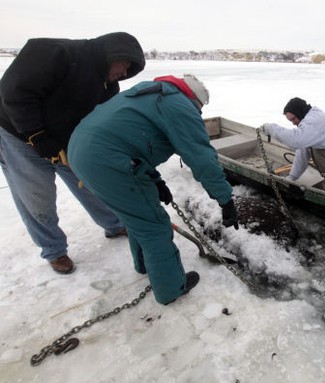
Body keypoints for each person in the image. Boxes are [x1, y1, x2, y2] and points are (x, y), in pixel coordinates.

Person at [68, 74, 239, 305]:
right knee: (155, 228)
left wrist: (155, 179)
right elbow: (202, 158)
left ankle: (144, 265)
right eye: (199, 109)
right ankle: (171, 288)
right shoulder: (180, 106)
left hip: (83, 152)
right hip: (109, 163)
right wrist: (225, 199)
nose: (198, 114)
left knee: (137, 216)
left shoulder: (150, 92)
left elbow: (133, 141)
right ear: (195, 101)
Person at [0, 32, 146, 274]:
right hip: (17, 134)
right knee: (36, 196)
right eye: (125, 65)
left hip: (64, 139)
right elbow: (14, 93)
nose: (124, 72)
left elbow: (103, 123)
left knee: (89, 181)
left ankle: (113, 223)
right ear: (114, 53)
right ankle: (54, 250)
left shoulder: (108, 86)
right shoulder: (55, 52)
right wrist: (36, 136)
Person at [261, 97, 325, 199]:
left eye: (293, 118)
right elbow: (302, 151)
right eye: (290, 120)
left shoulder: (314, 121)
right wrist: (292, 177)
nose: (293, 123)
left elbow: (296, 141)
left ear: (299, 112)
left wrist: (271, 128)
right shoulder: (309, 126)